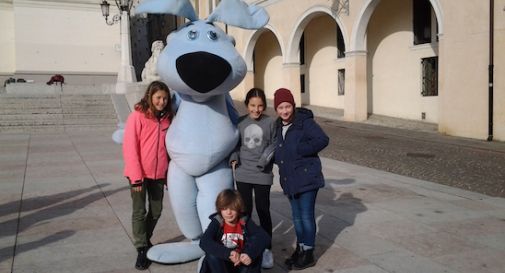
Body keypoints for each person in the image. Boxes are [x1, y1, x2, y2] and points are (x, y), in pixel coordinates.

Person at [272, 88, 329, 270]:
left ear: (293, 106)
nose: (285, 111)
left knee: (305, 216)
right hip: (290, 179)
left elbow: (322, 139)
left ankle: (309, 253)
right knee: (296, 218)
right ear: (276, 109)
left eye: (287, 106)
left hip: (306, 177)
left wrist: (301, 150)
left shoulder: (305, 122)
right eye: (281, 107)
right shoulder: (278, 125)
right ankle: (301, 249)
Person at [122, 81, 173, 270]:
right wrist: (136, 177)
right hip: (139, 174)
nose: (162, 102)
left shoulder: (168, 118)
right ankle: (142, 248)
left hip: (158, 174)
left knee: (156, 210)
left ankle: (145, 237)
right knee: (139, 211)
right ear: (150, 96)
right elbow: (130, 148)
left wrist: (168, 176)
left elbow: (169, 149)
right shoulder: (138, 116)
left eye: (165, 98)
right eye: (158, 97)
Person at [229, 88, 276, 269]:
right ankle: (247, 247)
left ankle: (266, 249)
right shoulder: (240, 122)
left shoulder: (271, 122)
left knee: (263, 211)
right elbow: (235, 144)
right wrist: (234, 157)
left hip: (263, 174)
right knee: (245, 213)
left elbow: (274, 144)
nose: (256, 109)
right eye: (253, 105)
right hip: (243, 173)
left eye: (260, 106)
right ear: (247, 105)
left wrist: (264, 160)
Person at [199, 189, 270, 273]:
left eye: (232, 208)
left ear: (239, 209)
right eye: (224, 208)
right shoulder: (217, 221)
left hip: (241, 263)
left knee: (257, 249)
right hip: (223, 263)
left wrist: (249, 254)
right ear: (219, 209)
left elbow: (264, 237)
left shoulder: (244, 220)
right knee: (211, 255)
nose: (228, 212)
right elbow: (204, 241)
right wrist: (228, 254)